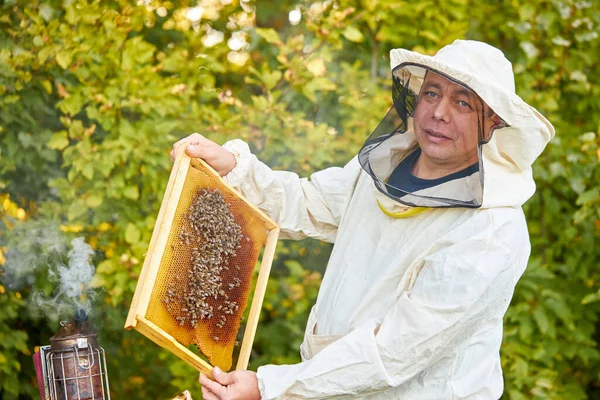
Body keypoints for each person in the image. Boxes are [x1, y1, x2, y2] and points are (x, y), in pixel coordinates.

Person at [171, 40, 555, 399]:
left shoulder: (490, 231)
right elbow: (307, 203)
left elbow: (393, 350)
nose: (439, 112)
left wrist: (271, 385)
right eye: (432, 93)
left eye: (463, 103)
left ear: (492, 123)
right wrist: (233, 168)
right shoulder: (385, 169)